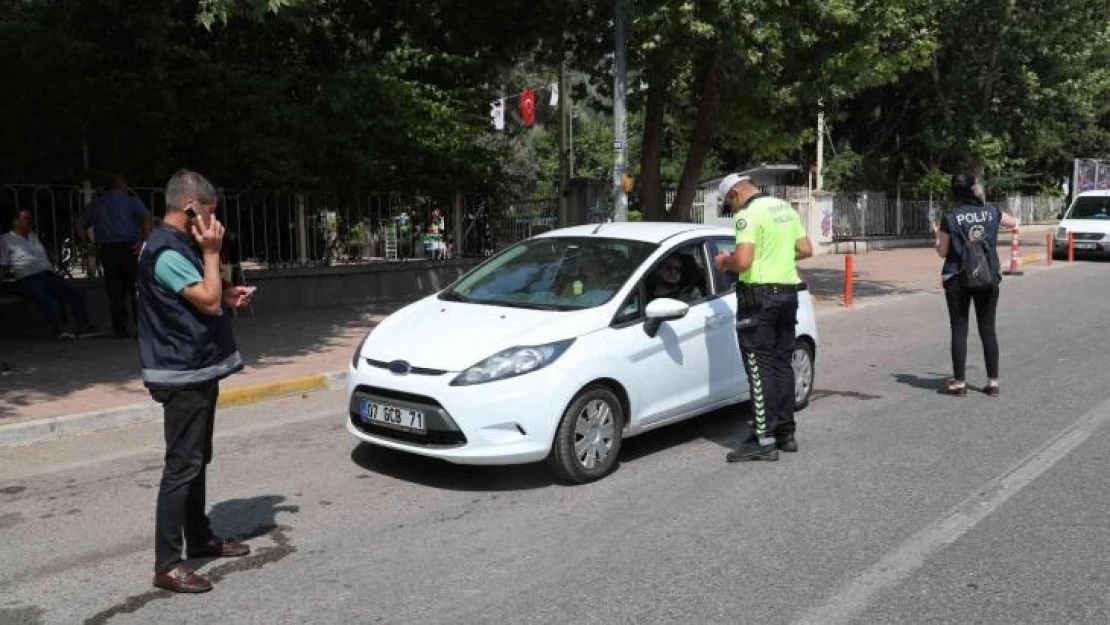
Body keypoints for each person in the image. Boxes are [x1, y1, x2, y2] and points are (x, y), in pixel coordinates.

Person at [138, 170, 257, 593]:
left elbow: (206, 294)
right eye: (209, 213)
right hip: (181, 372)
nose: (214, 222)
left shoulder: (179, 246)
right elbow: (204, 303)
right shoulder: (165, 250)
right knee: (181, 465)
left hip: (196, 368)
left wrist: (226, 292)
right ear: (191, 208)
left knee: (196, 459)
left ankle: (200, 536)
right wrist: (213, 251)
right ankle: (167, 565)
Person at [713, 174, 813, 462]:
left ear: (734, 193)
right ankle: (785, 432)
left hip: (758, 300)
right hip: (787, 295)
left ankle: (762, 438)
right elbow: (806, 249)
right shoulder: (783, 208)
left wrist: (725, 261)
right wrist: (777, 254)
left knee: (759, 368)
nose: (731, 211)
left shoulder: (747, 216)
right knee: (783, 364)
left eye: (728, 205)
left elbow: (743, 262)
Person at [933, 172, 1018, 397]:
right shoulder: (992, 212)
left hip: (957, 279)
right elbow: (1013, 223)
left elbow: (942, 252)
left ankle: (959, 384)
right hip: (987, 277)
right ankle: (993, 384)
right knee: (988, 330)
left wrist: (936, 237)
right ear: (973, 189)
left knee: (959, 330)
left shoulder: (949, 217)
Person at [1, 208, 97, 340]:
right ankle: (61, 329)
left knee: (73, 292)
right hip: (27, 276)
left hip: (46, 273)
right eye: (26, 219)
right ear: (15, 221)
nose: (29, 222)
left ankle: (84, 326)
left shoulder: (33, 236)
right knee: (44, 298)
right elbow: (3, 264)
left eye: (30, 219)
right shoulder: (6, 239)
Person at [79, 175, 152, 338]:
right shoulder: (130, 201)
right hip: (130, 248)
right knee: (136, 289)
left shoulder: (96, 204)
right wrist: (143, 240)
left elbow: (79, 225)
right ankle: (141, 327)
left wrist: (89, 245)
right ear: (121, 185)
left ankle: (120, 328)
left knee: (115, 291)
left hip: (107, 249)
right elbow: (147, 219)